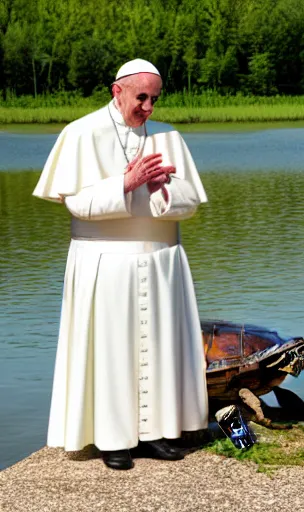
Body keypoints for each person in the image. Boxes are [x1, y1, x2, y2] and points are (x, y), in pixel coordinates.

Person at [33, 59, 209, 470]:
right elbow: (75, 203)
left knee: (160, 349)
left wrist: (164, 187)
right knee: (112, 353)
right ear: (118, 91)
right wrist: (124, 184)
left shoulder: (168, 137)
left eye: (154, 99)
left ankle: (156, 434)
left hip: (160, 261)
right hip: (104, 262)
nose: (148, 107)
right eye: (141, 97)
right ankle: (113, 440)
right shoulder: (80, 133)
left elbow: (192, 203)